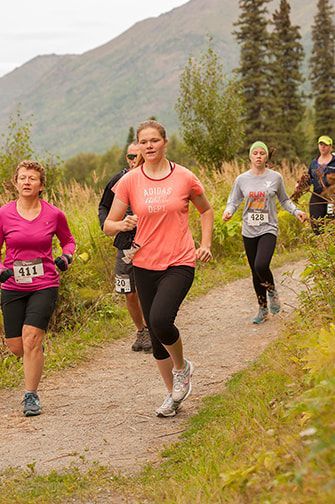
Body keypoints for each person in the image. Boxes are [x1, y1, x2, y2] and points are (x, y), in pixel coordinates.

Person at [103, 120, 213, 417]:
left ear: (164, 142)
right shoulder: (129, 181)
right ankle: (172, 396)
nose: (149, 146)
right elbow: (107, 225)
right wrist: (121, 224)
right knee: (154, 332)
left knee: (161, 319)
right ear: (137, 146)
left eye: (154, 140)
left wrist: (205, 243)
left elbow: (206, 210)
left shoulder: (185, 177)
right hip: (143, 262)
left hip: (179, 259)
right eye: (143, 142)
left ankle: (182, 368)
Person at [0, 160, 75, 416]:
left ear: (41, 185)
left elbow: (69, 241)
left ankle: (30, 396)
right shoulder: (3, 214)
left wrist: (66, 257)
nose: (27, 182)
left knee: (31, 337)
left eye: (32, 178)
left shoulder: (54, 214)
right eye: (22, 178)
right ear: (15, 182)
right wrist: (1, 269)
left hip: (45, 283)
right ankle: (35, 350)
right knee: (16, 346)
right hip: (12, 284)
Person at [223, 141, 306, 325]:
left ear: (266, 156)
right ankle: (262, 308)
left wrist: (296, 211)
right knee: (254, 271)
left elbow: (284, 200)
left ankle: (272, 292)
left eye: (262, 153)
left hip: (268, 227)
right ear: (250, 157)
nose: (259, 156)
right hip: (249, 229)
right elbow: (234, 201)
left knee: (261, 265)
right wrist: (228, 211)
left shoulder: (275, 177)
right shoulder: (242, 179)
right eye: (255, 153)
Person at [98, 143, 152, 353]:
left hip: (151, 243)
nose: (134, 160)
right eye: (131, 156)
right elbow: (103, 206)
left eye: (138, 156)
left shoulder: (153, 178)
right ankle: (141, 331)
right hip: (125, 245)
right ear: (126, 157)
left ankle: (153, 327)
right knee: (128, 291)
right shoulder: (118, 179)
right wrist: (111, 225)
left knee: (148, 288)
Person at [304, 135, 335, 234]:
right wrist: (301, 186)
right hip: (317, 196)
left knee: (331, 224)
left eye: (325, 145)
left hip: (332, 197)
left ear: (330, 146)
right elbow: (308, 178)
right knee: (316, 223)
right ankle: (319, 243)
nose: (323, 147)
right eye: (321, 144)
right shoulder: (314, 163)